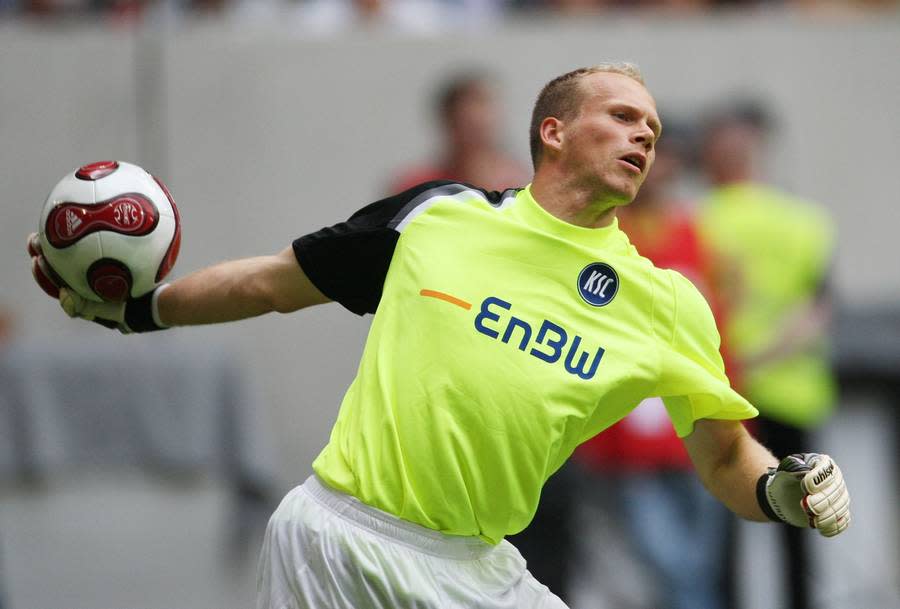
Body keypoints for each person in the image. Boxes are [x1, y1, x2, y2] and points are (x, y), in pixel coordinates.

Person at [28, 63, 851, 609]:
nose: (646, 136)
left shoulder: (665, 301)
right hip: (338, 539)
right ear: (554, 132)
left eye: (655, 130)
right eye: (623, 116)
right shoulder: (439, 215)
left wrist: (784, 490)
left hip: (474, 565)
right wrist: (136, 309)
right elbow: (272, 282)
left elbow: (722, 452)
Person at [571, 123, 733, 609]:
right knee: (674, 569)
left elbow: (718, 330)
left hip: (697, 427)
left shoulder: (696, 233)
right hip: (630, 435)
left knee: (697, 569)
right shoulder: (601, 236)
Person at [697, 102, 838, 609]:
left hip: (725, 392)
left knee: (726, 522)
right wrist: (773, 354)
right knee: (802, 523)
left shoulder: (698, 221)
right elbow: (818, 310)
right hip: (795, 391)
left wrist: (742, 364)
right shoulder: (806, 220)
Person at [390, 70, 531, 193]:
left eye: (482, 124)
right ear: (448, 122)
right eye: (467, 123)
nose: (475, 136)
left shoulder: (521, 184)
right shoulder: (417, 188)